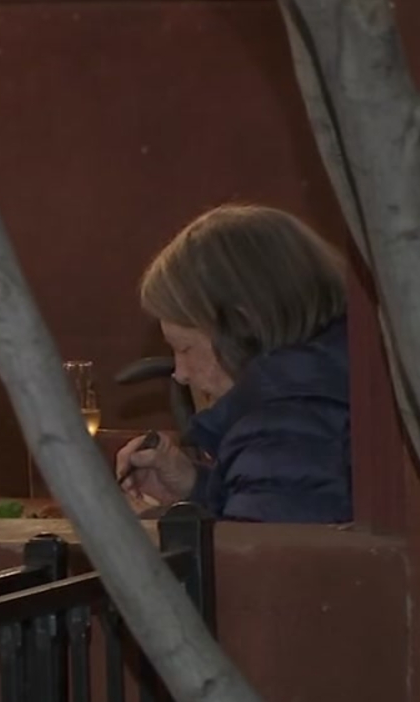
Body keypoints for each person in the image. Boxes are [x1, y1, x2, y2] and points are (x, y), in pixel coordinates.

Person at [115, 203, 351, 524]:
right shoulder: (319, 394)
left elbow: (262, 550)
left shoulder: (282, 433)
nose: (181, 374)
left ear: (243, 325)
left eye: (185, 348)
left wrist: (151, 529)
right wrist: (196, 487)